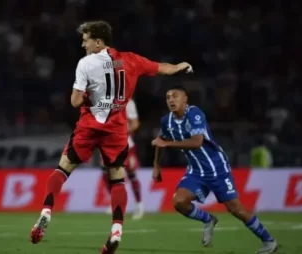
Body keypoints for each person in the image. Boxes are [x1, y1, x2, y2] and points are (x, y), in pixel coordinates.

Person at [30, 20, 193, 254]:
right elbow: (162, 68)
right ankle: (116, 230)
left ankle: (45, 212)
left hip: (89, 125)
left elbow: (75, 101)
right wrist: (180, 66)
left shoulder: (86, 63)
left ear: (98, 42)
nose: (82, 44)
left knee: (63, 168)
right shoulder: (131, 60)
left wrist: (88, 96)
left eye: (85, 40)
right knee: (117, 179)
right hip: (116, 129)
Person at [151, 85, 278, 254]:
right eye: (168, 97)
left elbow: (197, 142)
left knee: (236, 209)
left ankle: (269, 241)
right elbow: (161, 140)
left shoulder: (195, 114)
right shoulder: (166, 121)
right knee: (179, 201)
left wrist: (166, 143)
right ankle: (208, 219)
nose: (171, 100)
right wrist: (156, 165)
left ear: (185, 99)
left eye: (175, 96)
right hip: (195, 171)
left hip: (217, 168)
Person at [102, 98, 144, 220]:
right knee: (106, 172)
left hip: (125, 144)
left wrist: (122, 132)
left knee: (131, 173)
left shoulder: (128, 102)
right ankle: (113, 202)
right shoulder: (103, 100)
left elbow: (135, 123)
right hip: (108, 144)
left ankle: (139, 205)